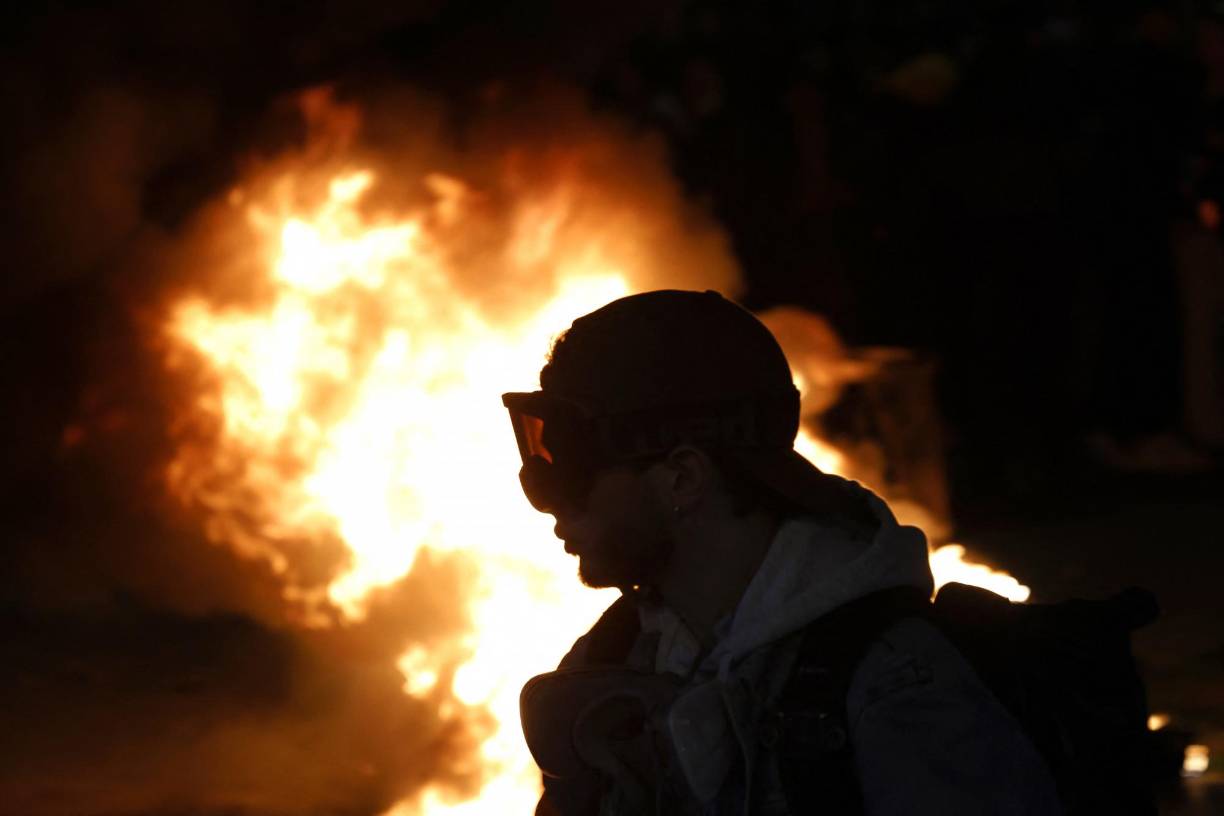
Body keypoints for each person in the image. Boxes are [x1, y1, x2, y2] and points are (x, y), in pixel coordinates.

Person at [502, 290, 1060, 815]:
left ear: (683, 478)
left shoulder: (894, 685)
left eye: (574, 468)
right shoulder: (614, 661)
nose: (551, 501)